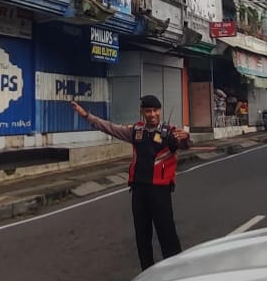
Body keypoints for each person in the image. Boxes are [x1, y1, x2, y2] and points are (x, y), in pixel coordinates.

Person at [71, 95, 191, 270]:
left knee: (167, 232)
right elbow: (111, 128)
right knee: (142, 235)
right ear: (142, 112)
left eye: (155, 110)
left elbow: (183, 143)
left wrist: (186, 138)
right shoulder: (136, 131)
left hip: (160, 190)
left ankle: (177, 272)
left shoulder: (170, 132)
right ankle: (146, 272)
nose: (152, 114)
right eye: (148, 111)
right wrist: (86, 115)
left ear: (160, 111)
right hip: (138, 190)